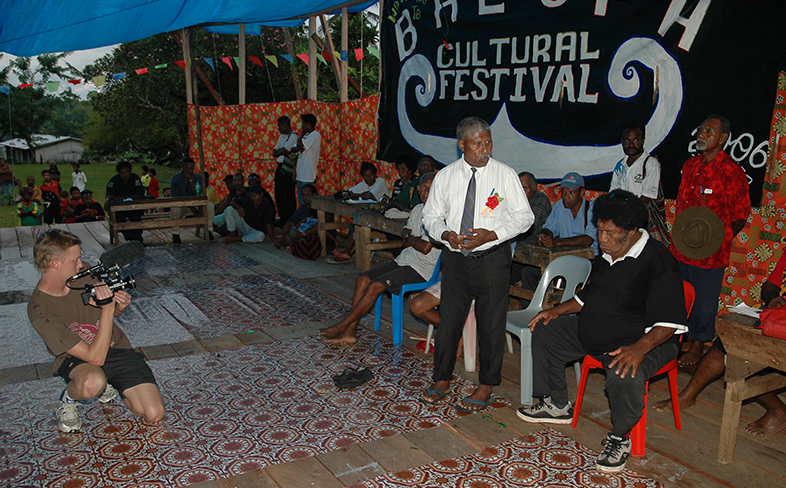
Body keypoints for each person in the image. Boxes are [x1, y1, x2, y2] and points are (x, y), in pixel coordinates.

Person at [516, 190, 687, 473]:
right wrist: (556, 310)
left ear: (632, 232)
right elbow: (588, 298)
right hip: (596, 335)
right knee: (545, 328)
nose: (602, 238)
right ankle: (556, 404)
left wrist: (639, 348)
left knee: (625, 369)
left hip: (643, 340)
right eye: (600, 230)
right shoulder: (607, 256)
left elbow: (669, 323)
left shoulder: (659, 262)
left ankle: (620, 437)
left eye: (610, 232)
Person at [420, 117, 533, 412]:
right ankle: (441, 379)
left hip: (492, 259)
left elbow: (525, 217)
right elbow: (430, 217)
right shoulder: (445, 177)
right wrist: (446, 234)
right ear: (462, 145)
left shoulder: (504, 175)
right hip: (456, 260)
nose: (485, 149)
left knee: (491, 325)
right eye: (477, 143)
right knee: (449, 322)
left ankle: (486, 385)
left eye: (488, 141)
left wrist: (492, 234)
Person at [27, 230, 164, 433]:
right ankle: (69, 399)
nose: (81, 264)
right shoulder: (40, 310)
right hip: (79, 359)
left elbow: (113, 311)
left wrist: (119, 306)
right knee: (93, 382)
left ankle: (110, 384)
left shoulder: (83, 275)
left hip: (116, 348)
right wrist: (108, 309)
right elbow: (95, 358)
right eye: (75, 260)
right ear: (55, 263)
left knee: (154, 413)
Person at [652, 252, 786, 437]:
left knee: (747, 361)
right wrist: (772, 298)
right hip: (777, 322)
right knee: (726, 343)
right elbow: (770, 285)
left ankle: (779, 411)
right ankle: (687, 397)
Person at [320, 173, 441, 344]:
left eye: (430, 188)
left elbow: (425, 248)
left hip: (421, 269)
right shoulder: (417, 210)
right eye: (422, 187)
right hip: (404, 260)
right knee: (362, 279)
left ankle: (342, 325)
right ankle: (350, 332)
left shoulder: (440, 215)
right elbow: (405, 239)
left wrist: (411, 238)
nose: (425, 191)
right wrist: (413, 239)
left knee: (376, 285)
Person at [671, 115, 750, 366]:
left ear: (723, 138)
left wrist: (718, 239)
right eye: (701, 129)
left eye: (709, 130)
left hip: (711, 252)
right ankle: (676, 340)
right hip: (682, 247)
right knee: (677, 295)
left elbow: (740, 215)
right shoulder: (690, 166)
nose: (701, 134)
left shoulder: (731, 172)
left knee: (705, 299)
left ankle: (698, 344)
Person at [520, 172, 597, 296]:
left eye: (571, 192)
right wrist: (544, 235)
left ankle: (563, 309)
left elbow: (588, 239)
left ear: (582, 193)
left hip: (587, 261)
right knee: (528, 272)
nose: (566, 196)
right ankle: (532, 312)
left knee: (563, 278)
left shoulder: (592, 210)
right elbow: (549, 227)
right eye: (564, 192)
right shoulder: (560, 206)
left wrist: (558, 242)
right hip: (564, 258)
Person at [330, 162, 392, 263]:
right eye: (366, 176)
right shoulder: (363, 185)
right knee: (355, 224)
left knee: (362, 227)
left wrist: (356, 195)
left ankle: (347, 253)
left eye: (371, 175)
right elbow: (347, 192)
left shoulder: (380, 181)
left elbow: (368, 196)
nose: (369, 178)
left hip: (381, 220)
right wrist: (355, 194)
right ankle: (347, 252)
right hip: (369, 218)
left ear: (375, 174)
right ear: (363, 177)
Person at [609, 121, 659, 203]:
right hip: (621, 214)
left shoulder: (651, 163)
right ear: (622, 140)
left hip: (639, 214)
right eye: (627, 140)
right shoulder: (620, 165)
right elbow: (613, 193)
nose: (631, 145)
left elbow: (646, 198)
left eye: (636, 140)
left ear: (643, 140)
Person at [169, 158, 215, 244]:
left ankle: (208, 230)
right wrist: (190, 205)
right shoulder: (175, 179)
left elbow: (197, 192)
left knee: (210, 206)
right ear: (183, 167)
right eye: (187, 168)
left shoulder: (197, 178)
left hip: (196, 203)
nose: (189, 171)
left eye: (191, 168)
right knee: (174, 209)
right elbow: (175, 197)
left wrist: (191, 181)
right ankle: (175, 233)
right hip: (182, 204)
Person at [105, 160, 145, 242]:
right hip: (119, 208)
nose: (124, 174)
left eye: (126, 172)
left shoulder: (135, 178)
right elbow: (110, 194)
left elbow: (140, 193)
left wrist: (120, 198)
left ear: (130, 171)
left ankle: (137, 238)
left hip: (134, 206)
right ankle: (130, 237)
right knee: (119, 219)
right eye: (122, 172)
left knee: (136, 217)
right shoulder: (114, 180)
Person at [272, 115, 299, 224]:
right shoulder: (281, 136)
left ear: (285, 125)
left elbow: (284, 150)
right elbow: (275, 151)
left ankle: (289, 219)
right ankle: (283, 218)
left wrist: (281, 151)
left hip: (287, 168)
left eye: (279, 126)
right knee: (279, 194)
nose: (278, 128)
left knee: (288, 194)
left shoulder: (294, 136)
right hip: (280, 166)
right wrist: (281, 151)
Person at [295, 113, 321, 206]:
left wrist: (302, 134)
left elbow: (300, 145)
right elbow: (294, 149)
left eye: (303, 123)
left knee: (308, 202)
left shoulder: (315, 135)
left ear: (308, 125)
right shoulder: (307, 136)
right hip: (300, 175)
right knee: (302, 202)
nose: (302, 126)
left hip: (308, 175)